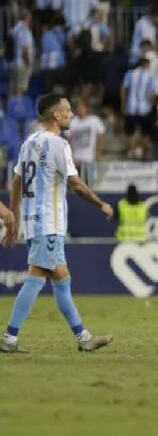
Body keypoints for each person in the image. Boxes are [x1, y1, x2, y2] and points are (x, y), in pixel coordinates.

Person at [1, 94, 114, 353]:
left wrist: (16, 218)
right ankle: (9, 337)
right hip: (49, 222)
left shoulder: (29, 143)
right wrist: (100, 204)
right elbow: (75, 183)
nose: (72, 114)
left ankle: (84, 338)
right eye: (68, 110)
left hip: (33, 222)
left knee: (62, 279)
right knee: (36, 276)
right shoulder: (59, 145)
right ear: (56, 115)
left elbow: (16, 182)